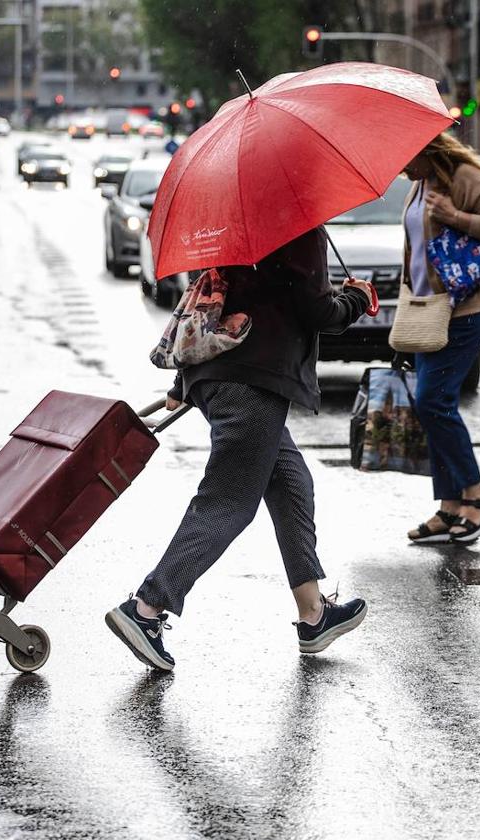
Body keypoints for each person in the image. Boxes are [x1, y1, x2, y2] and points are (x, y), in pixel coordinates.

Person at [106, 227, 375, 672]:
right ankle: (147, 607)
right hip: (252, 383)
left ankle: (313, 614)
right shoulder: (300, 230)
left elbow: (214, 296)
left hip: (218, 375)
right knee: (228, 502)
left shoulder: (233, 226)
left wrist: (183, 382)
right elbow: (318, 311)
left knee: (290, 483)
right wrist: (356, 299)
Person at [401, 132, 480, 545]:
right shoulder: (419, 185)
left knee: (433, 400)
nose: (401, 167)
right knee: (431, 403)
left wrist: (455, 216)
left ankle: (479, 496)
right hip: (428, 312)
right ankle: (450, 505)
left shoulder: (466, 177)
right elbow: (415, 251)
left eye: (405, 156)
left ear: (426, 147)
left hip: (467, 309)